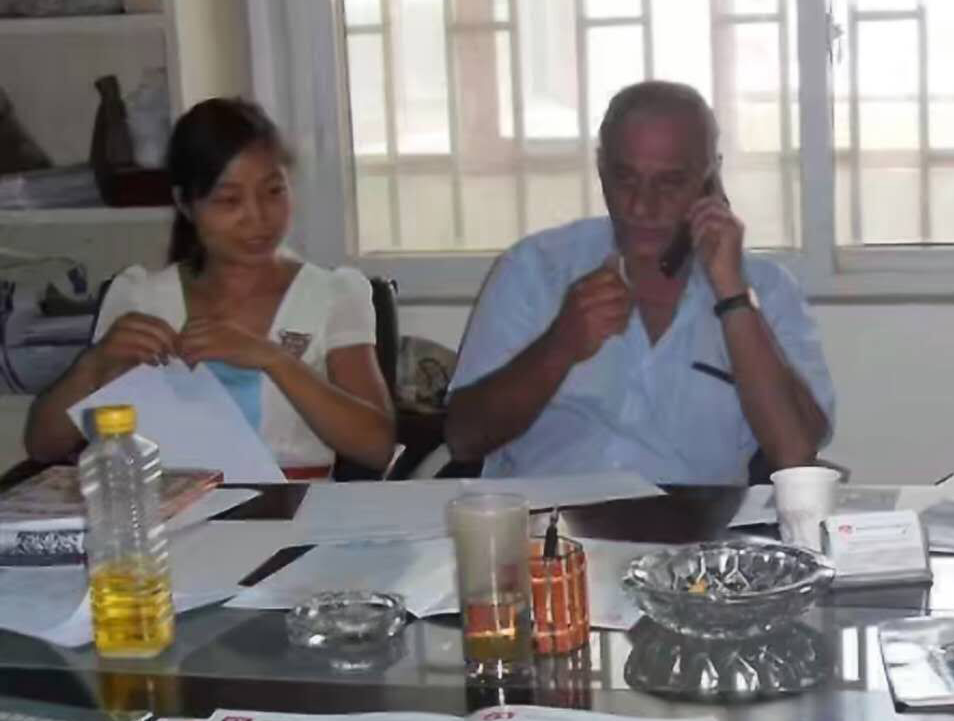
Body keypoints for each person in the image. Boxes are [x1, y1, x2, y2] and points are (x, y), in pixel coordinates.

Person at [445, 80, 835, 485]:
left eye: (670, 182)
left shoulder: (766, 289)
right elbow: (463, 439)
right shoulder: (534, 269)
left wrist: (732, 296)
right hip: (548, 518)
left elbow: (795, 455)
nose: (642, 206)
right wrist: (559, 346)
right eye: (625, 178)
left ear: (709, 179)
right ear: (601, 169)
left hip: (696, 522)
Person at [23, 98, 396, 477]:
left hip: (294, 505)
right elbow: (42, 446)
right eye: (229, 200)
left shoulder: (332, 294)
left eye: (273, 191)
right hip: (167, 505)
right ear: (185, 204)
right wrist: (93, 365)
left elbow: (377, 448)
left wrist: (273, 359)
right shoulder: (141, 297)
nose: (258, 218)